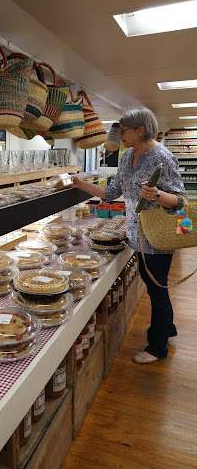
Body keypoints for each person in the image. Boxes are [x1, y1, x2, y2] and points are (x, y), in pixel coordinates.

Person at [71, 107, 187, 364]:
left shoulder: (163, 158)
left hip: (158, 237)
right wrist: (80, 184)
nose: (119, 135)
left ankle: (157, 347)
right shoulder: (127, 156)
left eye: (122, 131)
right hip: (137, 235)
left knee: (158, 290)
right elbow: (112, 192)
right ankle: (167, 328)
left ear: (140, 130)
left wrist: (156, 194)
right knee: (153, 284)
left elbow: (180, 201)